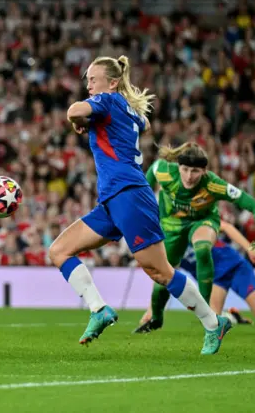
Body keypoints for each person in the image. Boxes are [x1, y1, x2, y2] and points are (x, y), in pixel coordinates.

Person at [50, 55, 230, 355]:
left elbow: (73, 109)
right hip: (112, 199)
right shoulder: (126, 108)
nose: (89, 85)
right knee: (59, 251)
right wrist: (88, 122)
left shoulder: (107, 101)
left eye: (93, 80)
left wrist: (78, 119)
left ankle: (213, 323)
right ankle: (99, 310)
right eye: (87, 81)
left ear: (112, 82)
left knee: (160, 272)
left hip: (130, 194)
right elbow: (143, 124)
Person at [133, 143, 255, 332]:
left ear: (204, 171)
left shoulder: (213, 184)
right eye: (185, 169)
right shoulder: (162, 170)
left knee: (201, 248)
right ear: (178, 166)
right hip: (172, 228)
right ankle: (156, 319)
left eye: (195, 171)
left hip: (203, 222)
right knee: (162, 278)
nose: (189, 176)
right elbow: (143, 188)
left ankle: (207, 315)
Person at [135, 220, 255, 332]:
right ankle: (233, 316)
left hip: (235, 267)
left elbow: (225, 226)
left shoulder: (188, 228)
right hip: (215, 280)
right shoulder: (168, 252)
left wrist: (249, 248)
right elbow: (164, 280)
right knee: (211, 319)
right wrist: (152, 310)